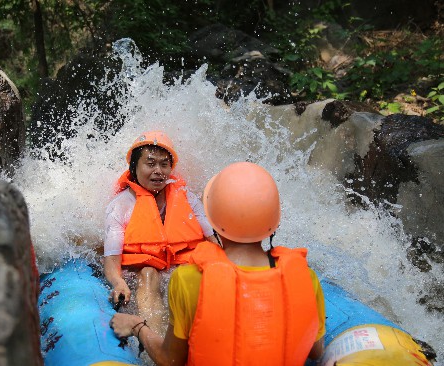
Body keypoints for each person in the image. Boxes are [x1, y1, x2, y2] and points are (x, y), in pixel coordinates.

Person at [110, 161, 326, 365]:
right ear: (274, 221)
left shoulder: (188, 279)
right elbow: (315, 351)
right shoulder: (306, 278)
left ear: (212, 220)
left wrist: (137, 326)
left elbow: (170, 360)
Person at [103, 130, 216, 335]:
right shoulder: (120, 207)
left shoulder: (185, 197)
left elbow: (213, 238)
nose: (158, 171)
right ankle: (155, 343)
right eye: (150, 163)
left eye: (164, 164)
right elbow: (111, 262)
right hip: (141, 275)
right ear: (134, 167)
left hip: (178, 271)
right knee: (148, 274)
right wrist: (118, 283)